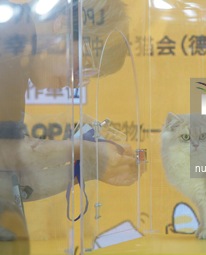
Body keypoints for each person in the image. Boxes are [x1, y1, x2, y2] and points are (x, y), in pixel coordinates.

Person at [0, 0, 143, 250]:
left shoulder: (17, 47)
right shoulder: (9, 40)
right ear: (62, 23)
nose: (77, 83)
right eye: (84, 63)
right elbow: (4, 155)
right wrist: (84, 152)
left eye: (89, 75)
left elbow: (12, 179)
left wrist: (90, 166)